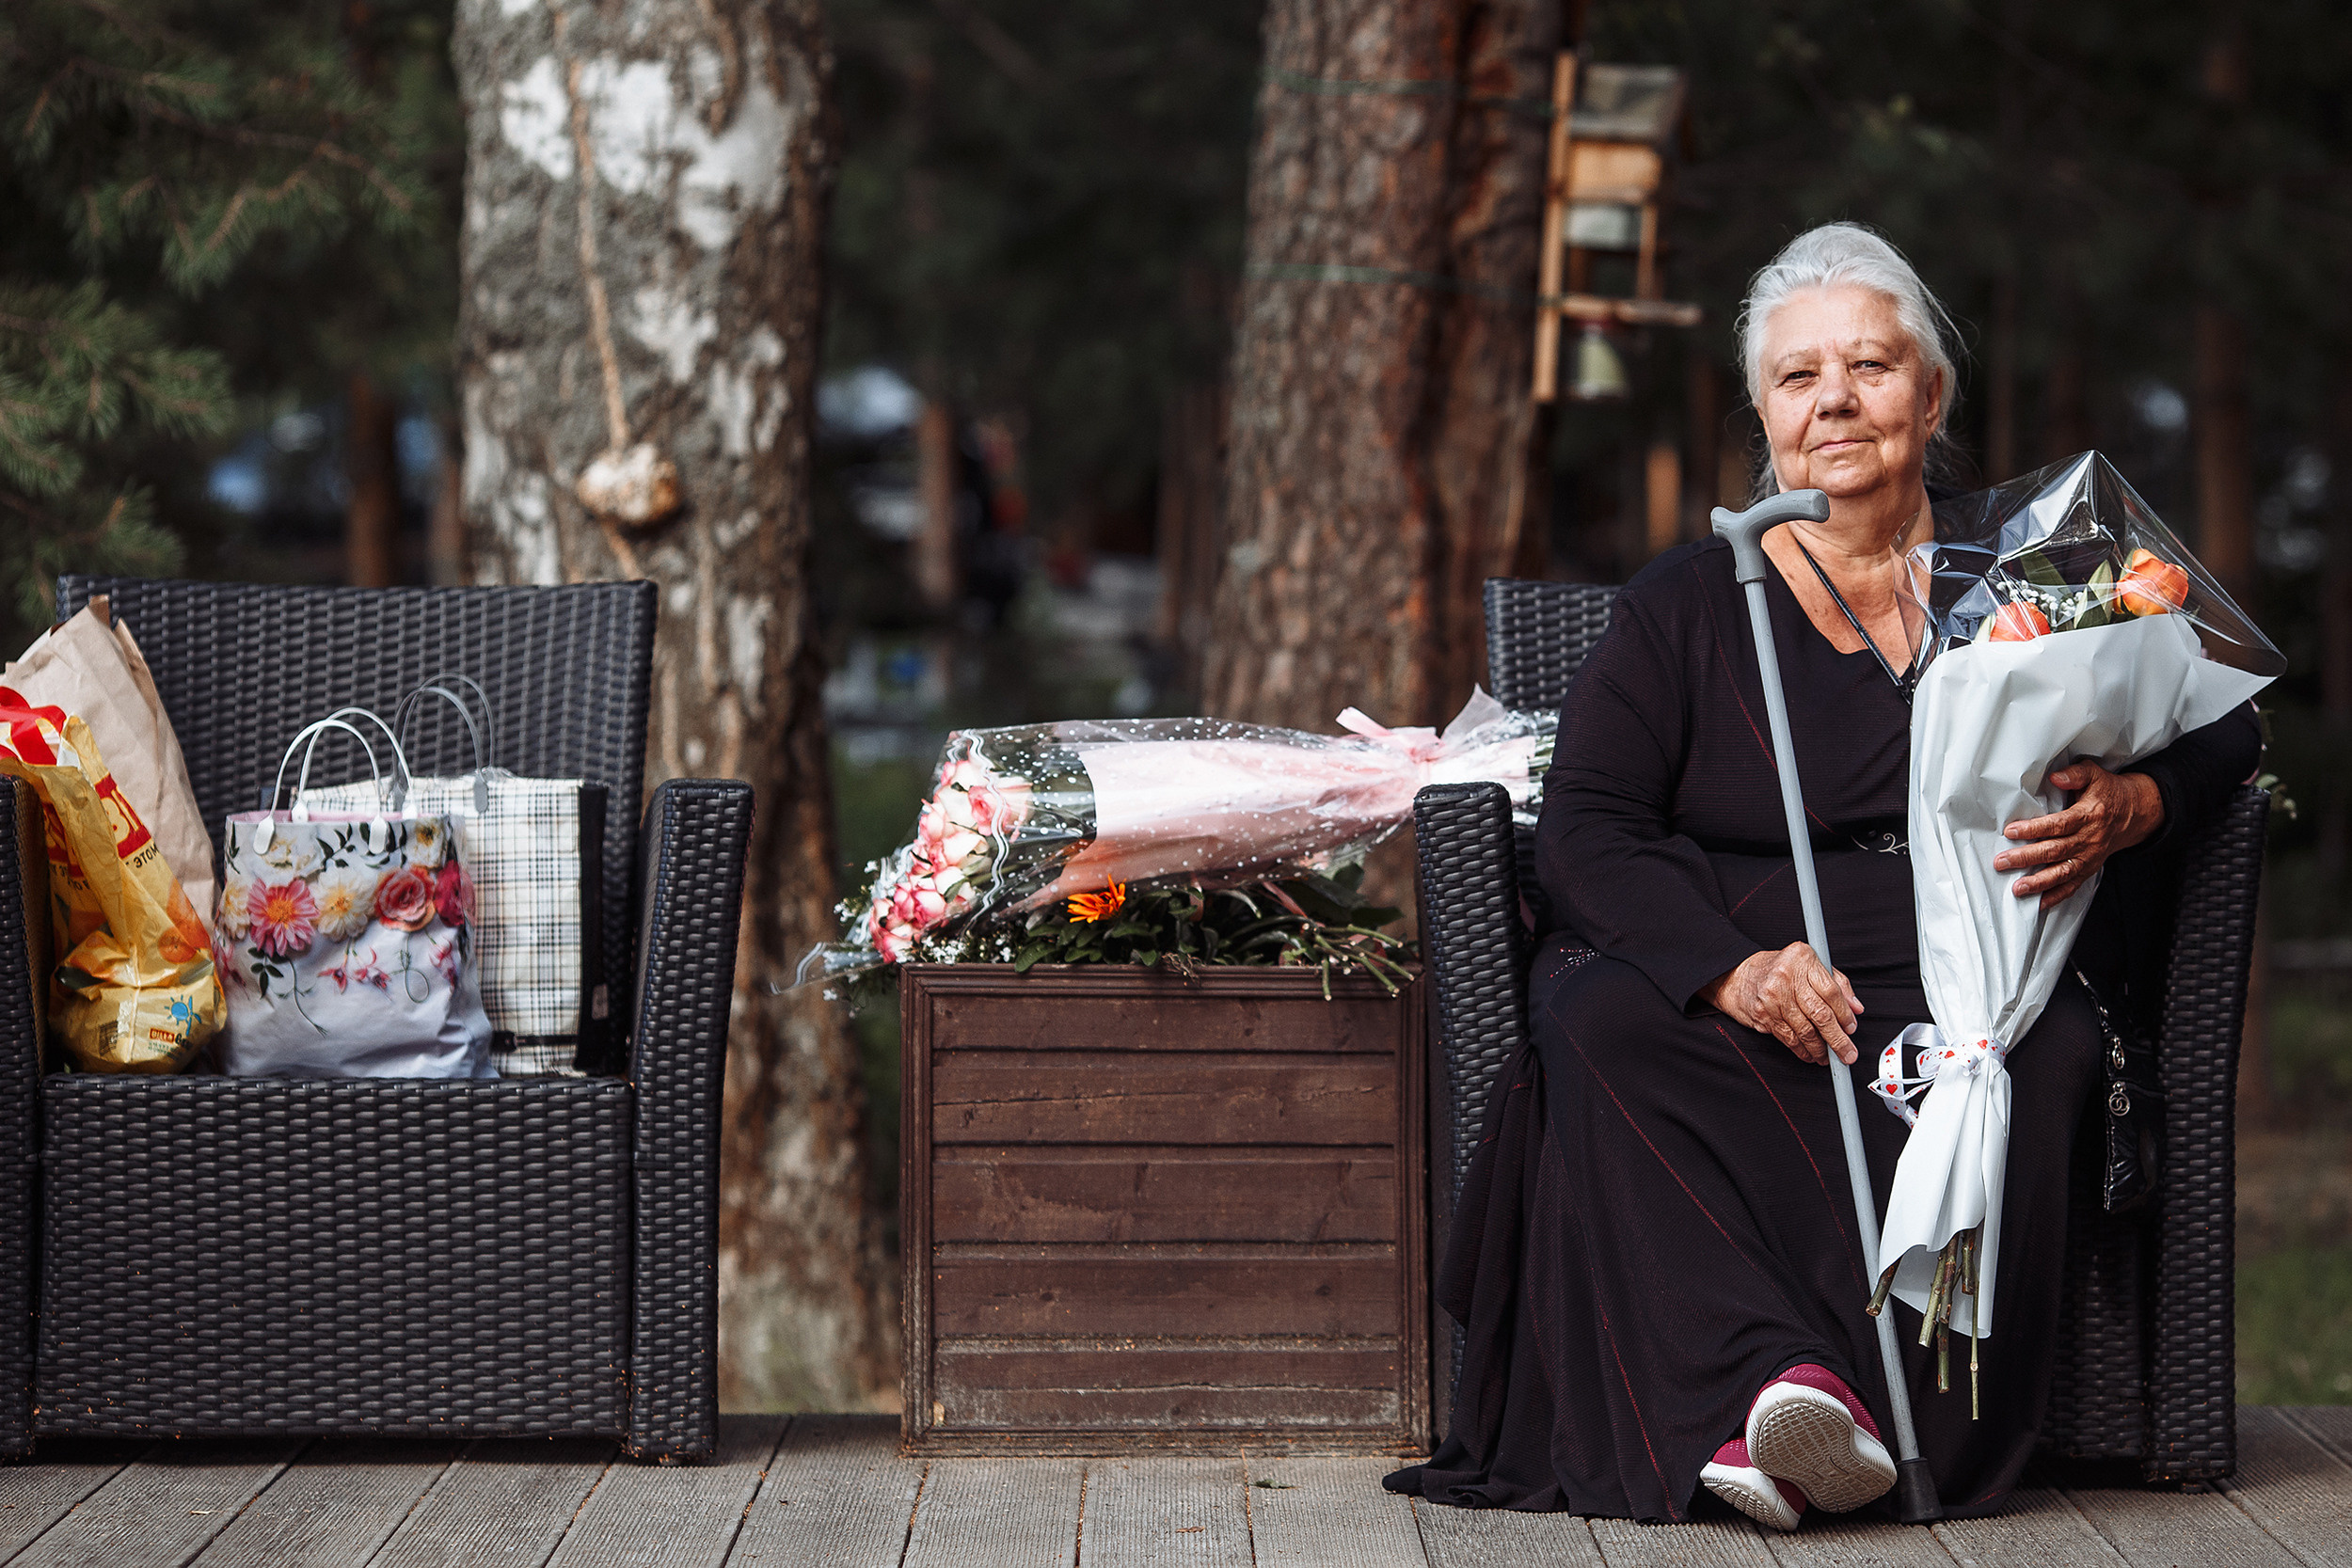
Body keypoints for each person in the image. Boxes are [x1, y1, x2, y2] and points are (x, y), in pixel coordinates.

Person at [1383, 222, 2260, 1528]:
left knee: (2047, 1054)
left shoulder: (2025, 563)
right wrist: (1729, 972)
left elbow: (2225, 720)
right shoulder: (1687, 599)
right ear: (1763, 411)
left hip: (1975, 946)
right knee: (1602, 1013)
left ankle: (1863, 1428)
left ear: (1931, 395)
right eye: (1800, 377)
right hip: (1748, 939)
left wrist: (2143, 797)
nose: (1836, 400)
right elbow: (1588, 827)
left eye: (1870, 366)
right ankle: (1772, 1390)